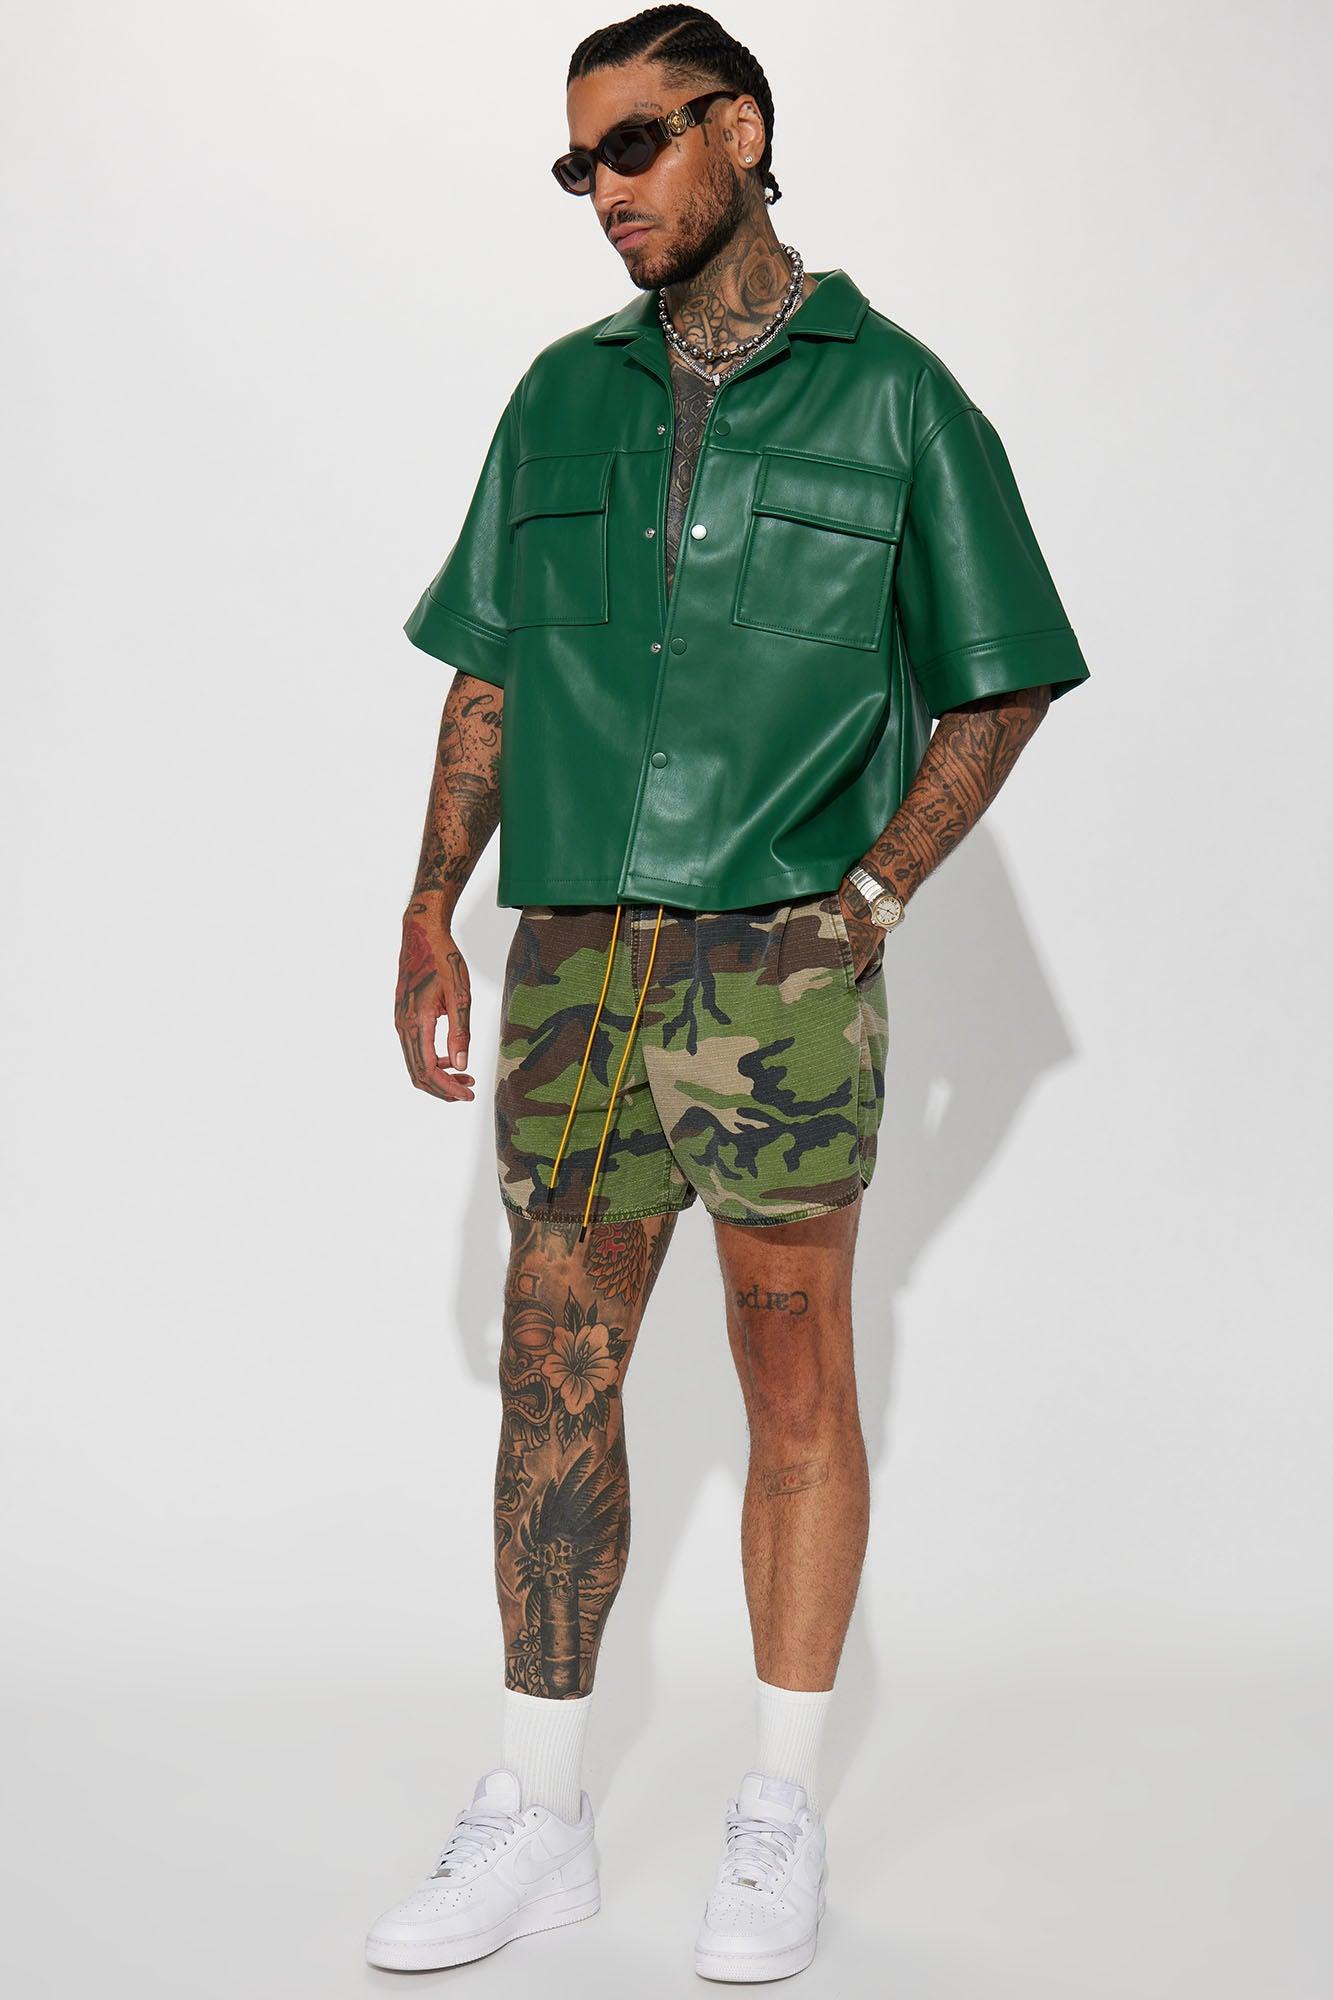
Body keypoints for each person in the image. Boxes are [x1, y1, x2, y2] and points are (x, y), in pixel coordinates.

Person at [370, 4, 1090, 1979]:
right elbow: (491, 668)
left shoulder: (898, 399)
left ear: (741, 129)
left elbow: (1003, 672)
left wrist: (865, 901)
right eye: (575, 163)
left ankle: (777, 1810)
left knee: (793, 1373)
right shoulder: (558, 397)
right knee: (553, 1371)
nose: (601, 192)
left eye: (633, 146)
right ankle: (537, 1811)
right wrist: (431, 901)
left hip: (776, 969)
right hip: (572, 962)